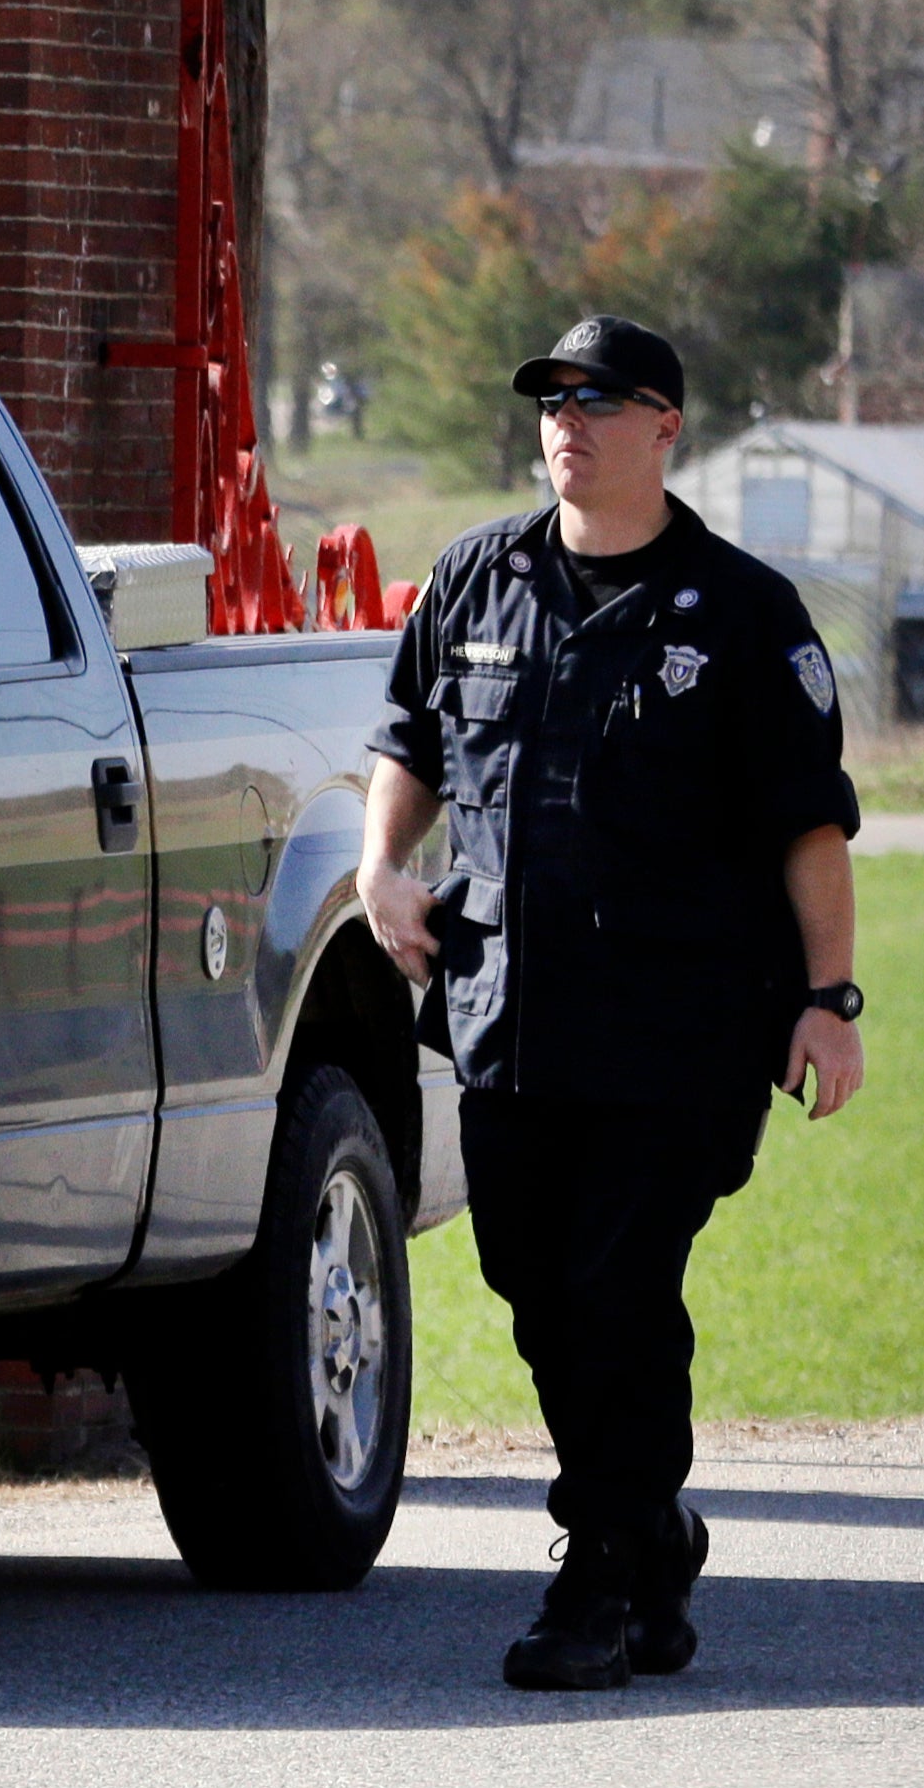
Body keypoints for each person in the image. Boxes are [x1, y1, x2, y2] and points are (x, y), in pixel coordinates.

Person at [359, 314, 871, 1690]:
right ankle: (654, 1530)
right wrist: (377, 867)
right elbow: (407, 740)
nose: (565, 421)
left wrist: (828, 998)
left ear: (664, 429)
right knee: (530, 1281)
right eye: (550, 399)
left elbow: (806, 827)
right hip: (508, 1014)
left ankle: (592, 1575)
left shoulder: (742, 611)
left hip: (684, 1026)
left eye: (598, 399)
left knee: (618, 1283)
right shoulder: (474, 578)